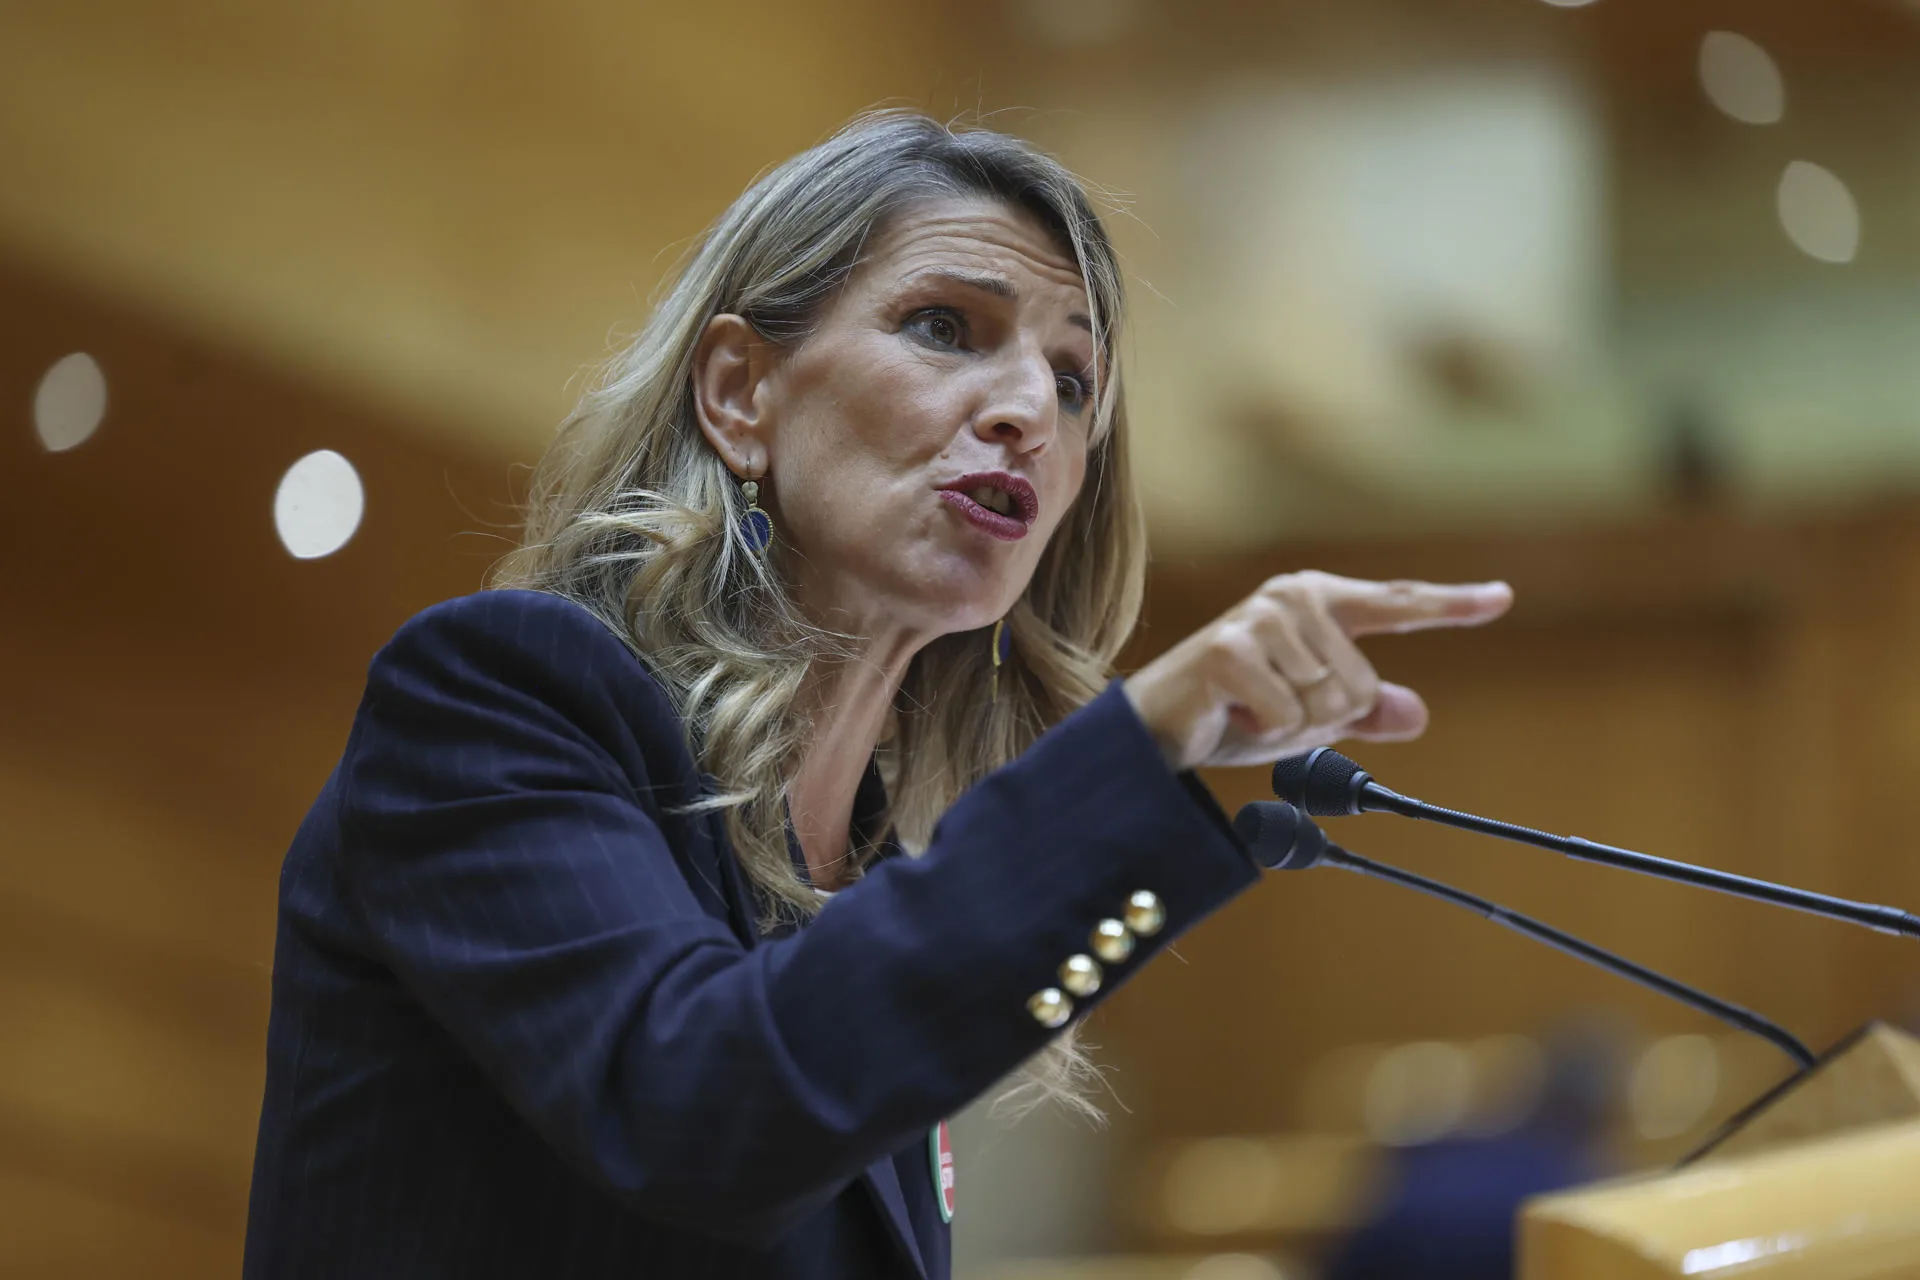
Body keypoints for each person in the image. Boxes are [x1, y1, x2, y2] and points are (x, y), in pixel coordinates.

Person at [242, 111, 1513, 1279]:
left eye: (1073, 383)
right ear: (742, 393)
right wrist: (1139, 748)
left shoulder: (870, 868)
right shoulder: (500, 697)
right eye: (945, 325)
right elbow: (699, 1109)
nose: (1026, 408)